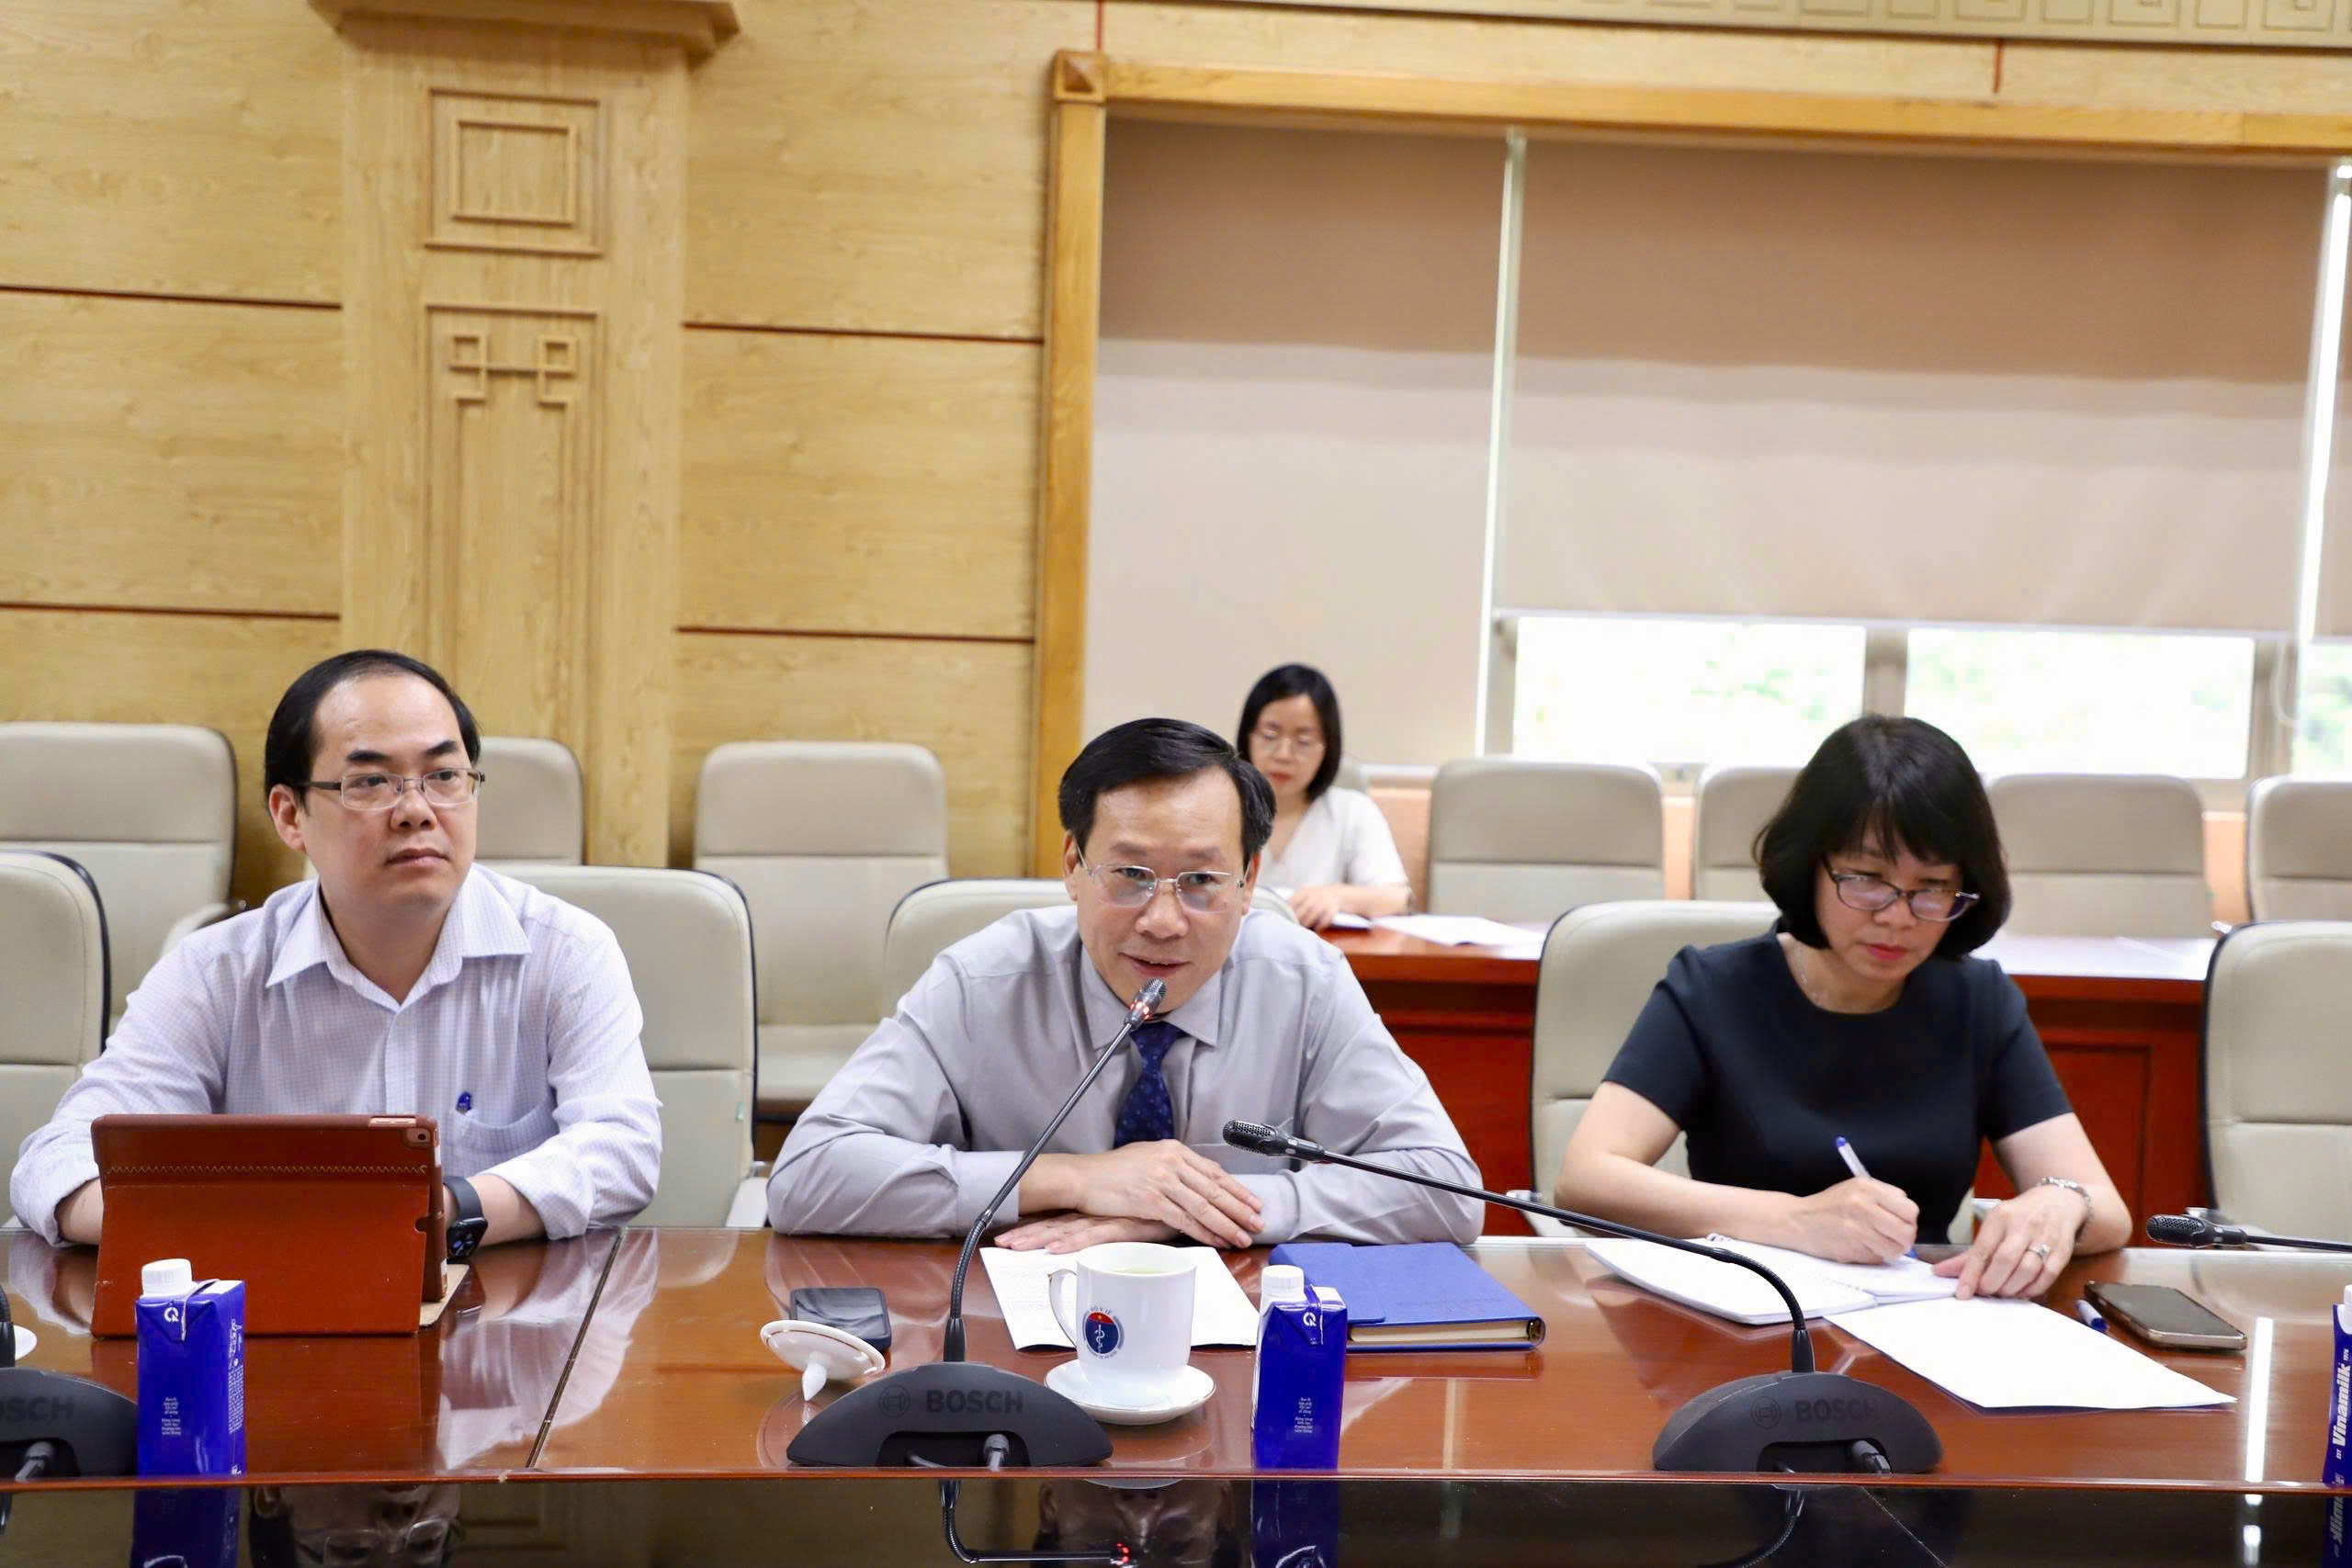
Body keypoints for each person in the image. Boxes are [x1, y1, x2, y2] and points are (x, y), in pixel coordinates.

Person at [10, 649, 662, 1248]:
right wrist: (243, 1223)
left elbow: (622, 1148)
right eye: (371, 782)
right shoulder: (216, 972)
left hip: (507, 1314)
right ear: (290, 815)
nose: (417, 810)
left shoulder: (565, 951)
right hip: (274, 1313)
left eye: (444, 775)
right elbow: (58, 1161)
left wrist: (444, 1211)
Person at [767, 716, 1479, 1249]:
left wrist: (1189, 1209)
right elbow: (807, 1174)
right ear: (1073, 866)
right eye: (1131, 874)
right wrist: (1074, 1179)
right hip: (1009, 1330)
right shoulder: (984, 980)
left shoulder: (1305, 983)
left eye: (1201, 880)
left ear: (1249, 880)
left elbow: (1447, 1188)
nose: (1163, 921)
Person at [1552, 715, 2128, 1299]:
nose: (1896, 917)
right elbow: (1586, 1178)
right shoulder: (1713, 990)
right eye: (1867, 878)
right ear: (1811, 866)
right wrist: (1796, 1220)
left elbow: (2108, 1211)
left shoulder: (1978, 1001)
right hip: (1745, 1312)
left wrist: (2061, 1202)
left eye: (1931, 887)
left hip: (1923, 1317)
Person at [1236, 664, 1409, 930]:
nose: (1283, 754)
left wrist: (1337, 896)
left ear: (1327, 748)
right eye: (1270, 736)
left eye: (1304, 741)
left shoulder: (1352, 810)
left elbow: (1397, 898)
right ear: (1248, 736)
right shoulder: (1223, 806)